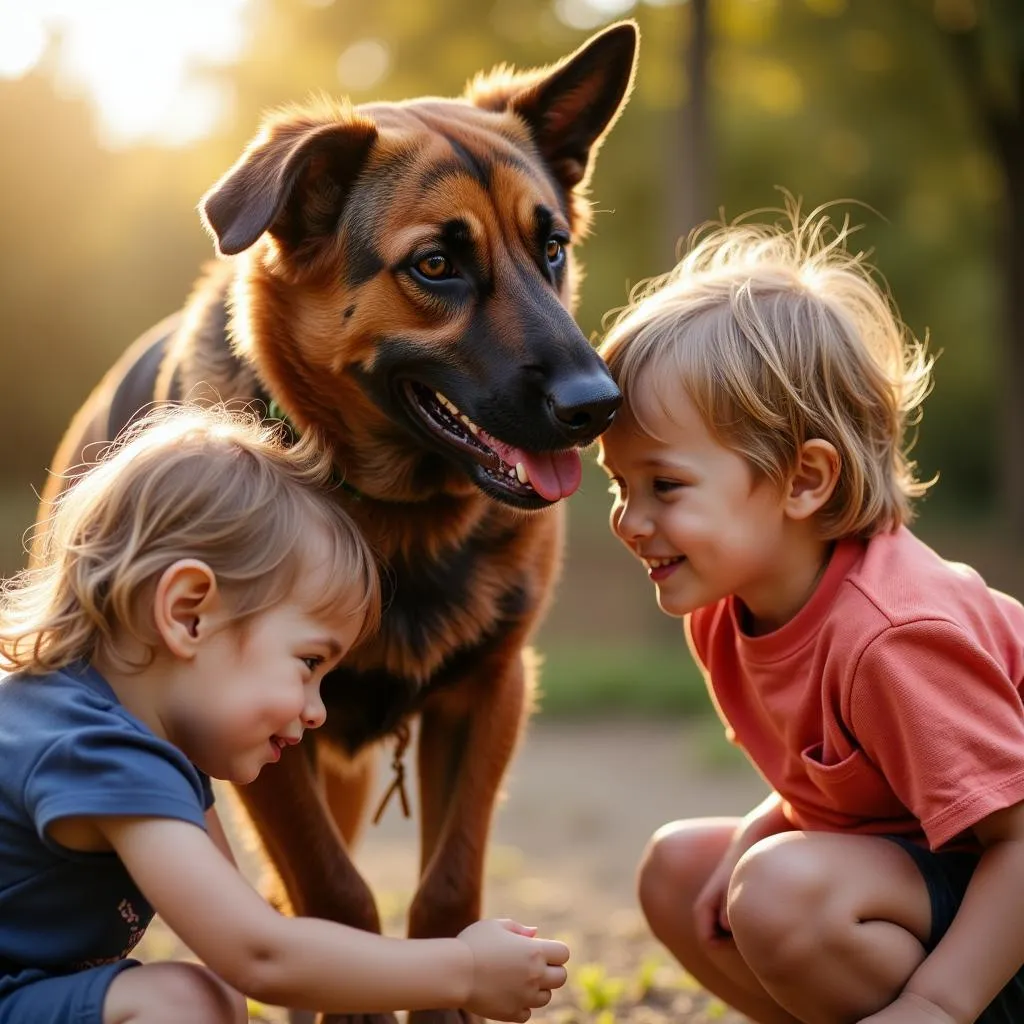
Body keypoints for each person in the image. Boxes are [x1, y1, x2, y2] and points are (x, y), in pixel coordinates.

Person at [0, 405, 569, 1024]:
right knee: (181, 1005)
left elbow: (237, 939)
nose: (318, 711)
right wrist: (463, 971)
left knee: (212, 998)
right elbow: (260, 955)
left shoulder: (98, 728)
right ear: (189, 614)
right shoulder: (96, 750)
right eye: (309, 663)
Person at [595, 204, 1024, 1024]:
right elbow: (853, 786)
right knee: (681, 869)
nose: (629, 518)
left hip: (1003, 909)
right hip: (937, 874)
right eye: (620, 485)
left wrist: (938, 1002)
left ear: (804, 479)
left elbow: (1019, 840)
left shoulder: (897, 637)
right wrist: (765, 825)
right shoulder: (725, 612)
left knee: (782, 894)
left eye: (665, 485)